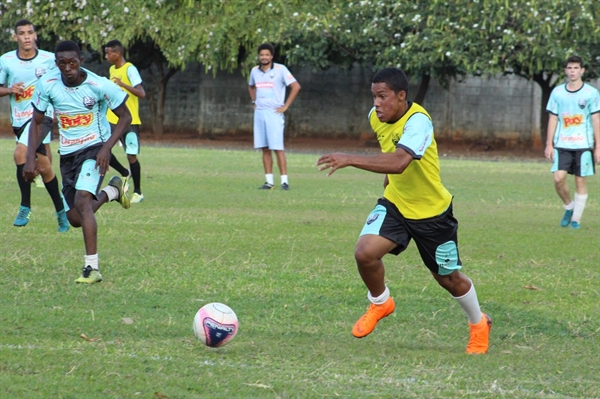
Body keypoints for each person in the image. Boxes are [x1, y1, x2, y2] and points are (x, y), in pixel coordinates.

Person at [316, 67, 491, 354]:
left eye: (382, 97)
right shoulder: (376, 118)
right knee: (365, 253)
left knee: (448, 279)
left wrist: (348, 158)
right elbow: (389, 154)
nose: (376, 104)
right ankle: (381, 302)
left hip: (431, 213)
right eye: (373, 96)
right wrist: (387, 188)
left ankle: (478, 323)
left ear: (401, 96)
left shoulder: (418, 122)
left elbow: (399, 162)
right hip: (395, 204)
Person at [24, 40, 132, 284]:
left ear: (80, 61)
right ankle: (113, 191)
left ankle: (91, 268)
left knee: (83, 200)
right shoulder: (47, 84)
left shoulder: (98, 85)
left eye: (72, 62)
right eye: (62, 63)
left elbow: (126, 116)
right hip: (68, 154)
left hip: (95, 148)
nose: (67, 67)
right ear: (56, 63)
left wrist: (106, 148)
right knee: (75, 217)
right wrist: (30, 157)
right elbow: (38, 121)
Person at [0, 19, 69, 232]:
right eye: (22, 33)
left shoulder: (49, 60)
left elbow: (61, 84)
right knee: (45, 167)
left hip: (42, 117)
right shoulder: (6, 60)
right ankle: (61, 212)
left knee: (20, 154)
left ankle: (25, 206)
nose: (27, 37)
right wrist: (11, 90)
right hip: (19, 120)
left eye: (30, 32)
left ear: (36, 35)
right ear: (16, 37)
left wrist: (60, 110)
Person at [544, 55, 600, 229]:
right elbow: (553, 119)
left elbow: (596, 120)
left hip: (583, 145)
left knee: (580, 181)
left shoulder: (591, 93)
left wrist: (598, 146)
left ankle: (576, 219)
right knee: (558, 179)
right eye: (570, 68)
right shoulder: (558, 93)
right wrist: (548, 144)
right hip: (562, 144)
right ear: (565, 71)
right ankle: (569, 206)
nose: (572, 71)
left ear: (582, 70)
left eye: (576, 68)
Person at [248, 43, 301, 190]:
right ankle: (269, 182)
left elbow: (296, 86)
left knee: (277, 147)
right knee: (264, 148)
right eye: (261, 55)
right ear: (259, 56)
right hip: (259, 113)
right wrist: (254, 101)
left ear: (271, 56)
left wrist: (285, 106)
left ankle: (284, 181)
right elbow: (251, 86)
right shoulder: (254, 71)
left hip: (274, 112)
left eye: (267, 55)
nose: (264, 57)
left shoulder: (280, 69)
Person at [104, 39, 146, 203]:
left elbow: (141, 93)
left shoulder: (130, 69)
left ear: (118, 53)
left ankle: (138, 192)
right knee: (103, 148)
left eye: (108, 53)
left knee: (131, 156)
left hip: (129, 120)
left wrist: (122, 84)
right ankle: (123, 173)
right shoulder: (111, 69)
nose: (106, 56)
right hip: (112, 118)